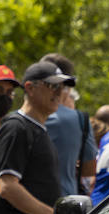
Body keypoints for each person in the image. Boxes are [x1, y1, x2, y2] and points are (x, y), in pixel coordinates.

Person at [0, 61, 74, 214]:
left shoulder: (37, 128)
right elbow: (8, 187)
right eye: (52, 86)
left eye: (61, 87)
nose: (58, 92)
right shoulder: (17, 128)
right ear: (29, 88)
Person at [40, 54, 96, 198]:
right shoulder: (79, 119)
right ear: (66, 87)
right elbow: (89, 169)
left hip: (25, 204)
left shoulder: (19, 118)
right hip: (64, 201)